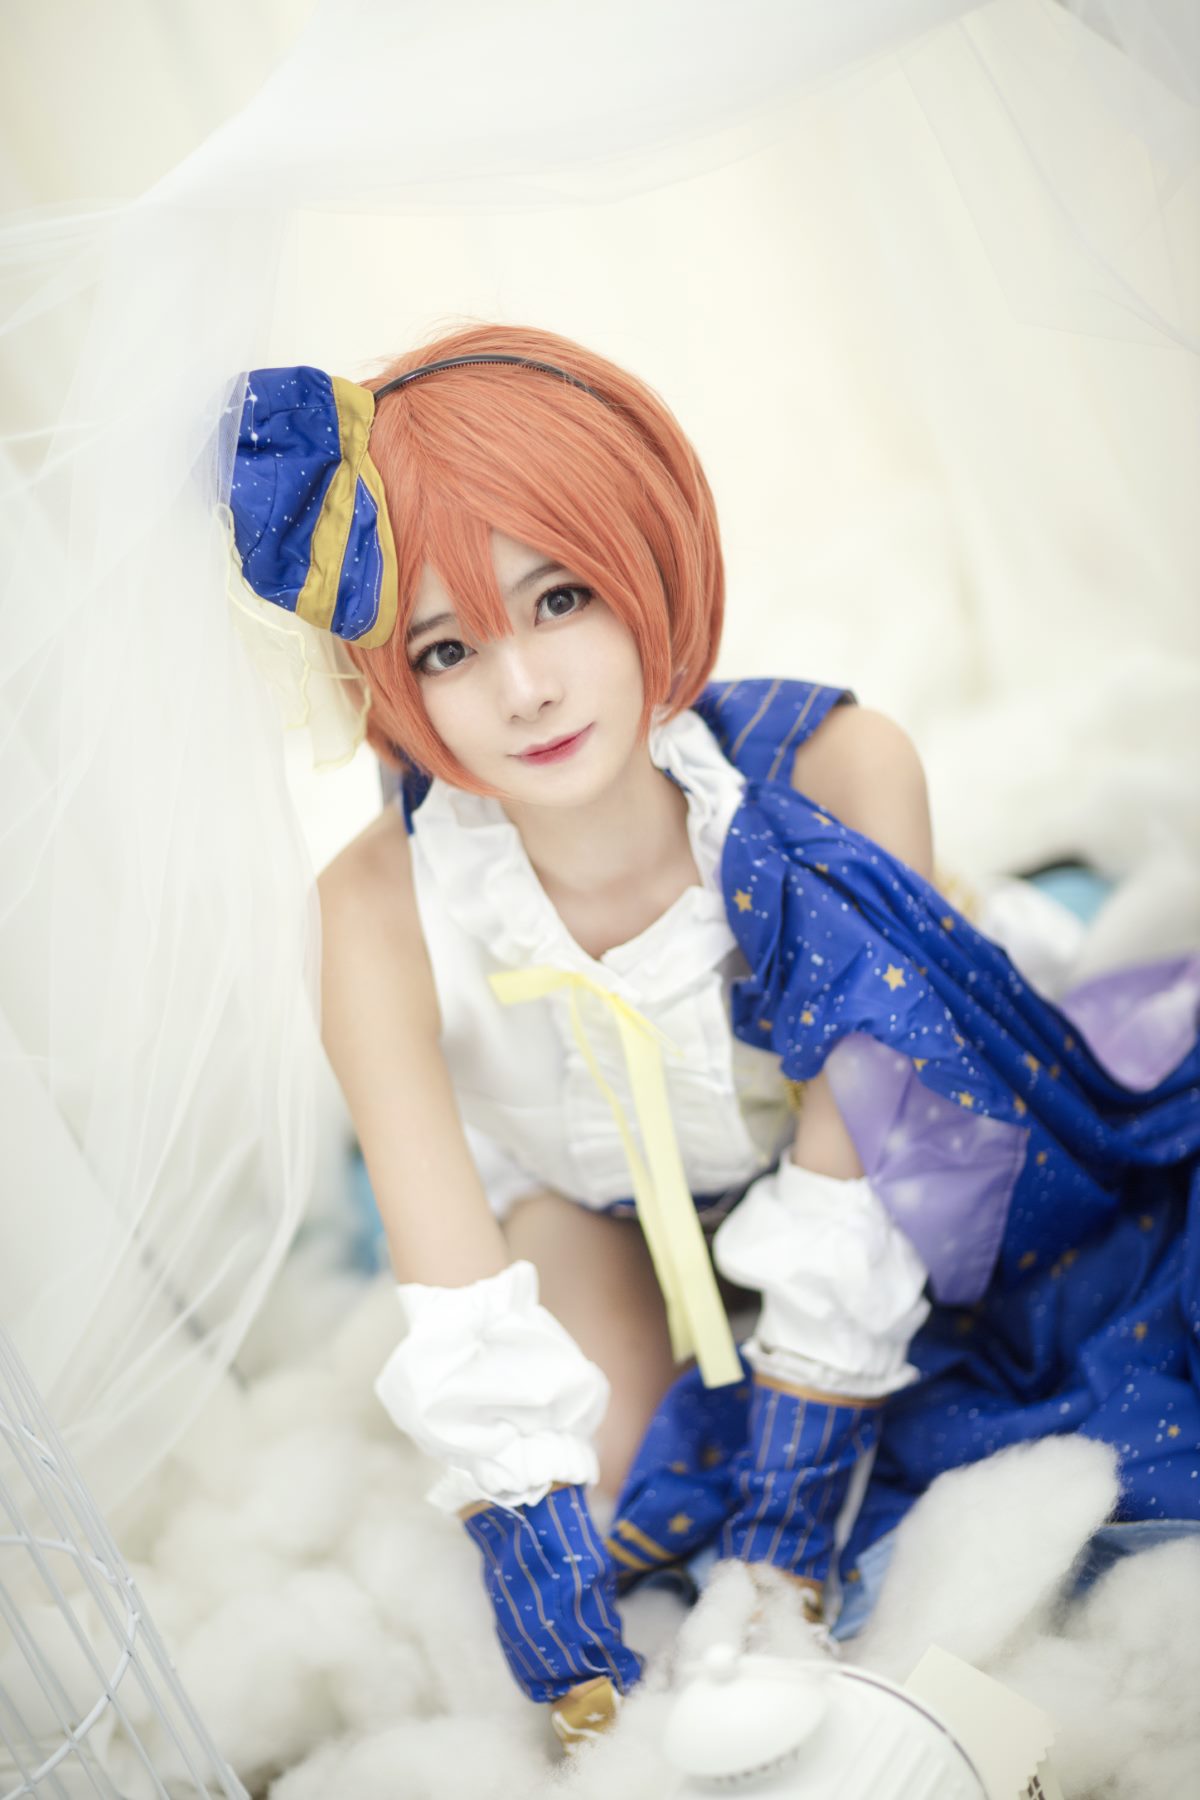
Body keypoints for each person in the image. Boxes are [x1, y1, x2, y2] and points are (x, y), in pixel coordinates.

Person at [228, 321, 1200, 1751]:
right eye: (446, 647)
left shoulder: (837, 773)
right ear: (393, 682)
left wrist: (789, 1529)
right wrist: (547, 1590)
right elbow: (454, 1281)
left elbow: (869, 1164)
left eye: (560, 598)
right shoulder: (373, 908)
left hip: (870, 1136)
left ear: (643, 562)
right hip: (592, 1188)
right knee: (615, 1481)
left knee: (1045, 1321)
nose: (524, 688)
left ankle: (1009, 895)